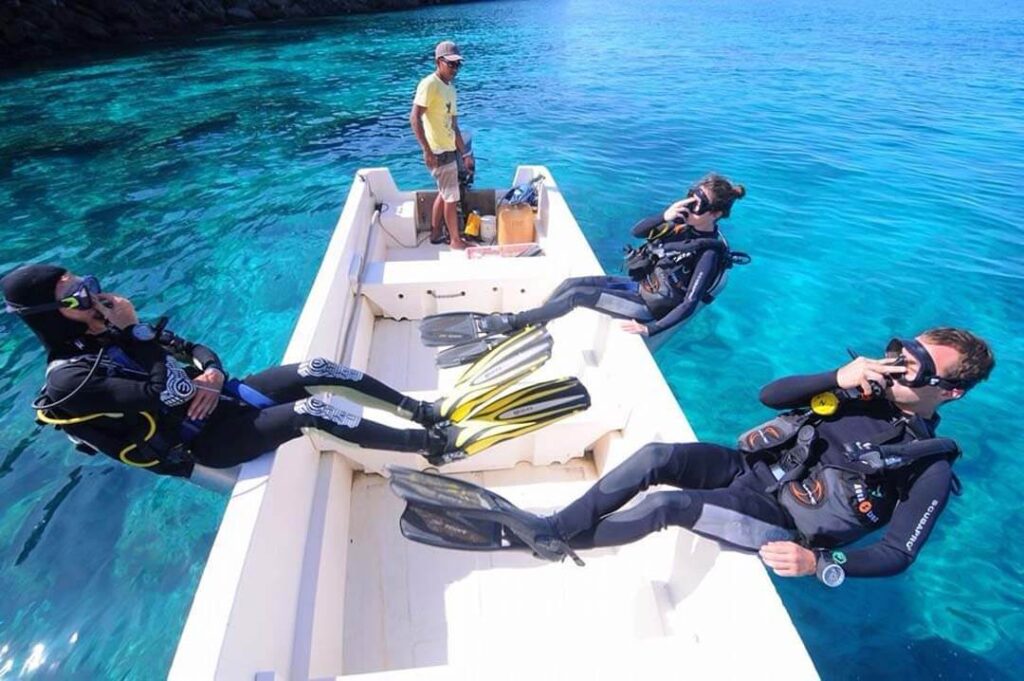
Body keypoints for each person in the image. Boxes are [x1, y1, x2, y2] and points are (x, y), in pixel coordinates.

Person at [389, 328, 995, 585]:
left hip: (782, 522)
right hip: (748, 470)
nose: (898, 366)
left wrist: (820, 563)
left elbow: (897, 554)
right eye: (901, 350)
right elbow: (770, 396)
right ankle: (553, 530)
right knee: (656, 455)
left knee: (670, 505)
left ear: (952, 391)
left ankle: (529, 538)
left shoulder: (929, 465)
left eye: (916, 364)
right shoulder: (856, 388)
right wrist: (838, 375)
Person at [1, 265, 590, 480]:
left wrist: (210, 372)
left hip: (224, 399)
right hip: (210, 439)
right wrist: (133, 333)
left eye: (90, 285)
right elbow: (162, 395)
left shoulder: (109, 330)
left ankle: (422, 410)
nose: (96, 297)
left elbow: (194, 352)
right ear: (53, 317)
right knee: (313, 409)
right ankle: (432, 445)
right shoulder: (71, 377)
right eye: (79, 296)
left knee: (317, 368)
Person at [418, 174, 748, 356]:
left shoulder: (709, 252)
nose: (691, 207)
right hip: (637, 288)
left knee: (578, 297)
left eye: (699, 205)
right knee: (572, 285)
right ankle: (531, 326)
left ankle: (509, 323)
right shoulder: (680, 225)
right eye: (690, 197)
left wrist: (651, 329)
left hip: (648, 307)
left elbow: (689, 304)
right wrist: (665, 214)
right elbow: (638, 231)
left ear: (717, 213)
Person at [410, 40, 475, 249]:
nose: (455, 69)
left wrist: (465, 154)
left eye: (458, 65)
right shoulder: (429, 84)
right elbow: (415, 117)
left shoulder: (450, 89)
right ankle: (456, 241)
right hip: (438, 152)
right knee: (451, 198)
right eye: (451, 64)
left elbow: (454, 126)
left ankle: (436, 233)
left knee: (445, 193)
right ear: (439, 62)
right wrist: (426, 151)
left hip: (450, 150)